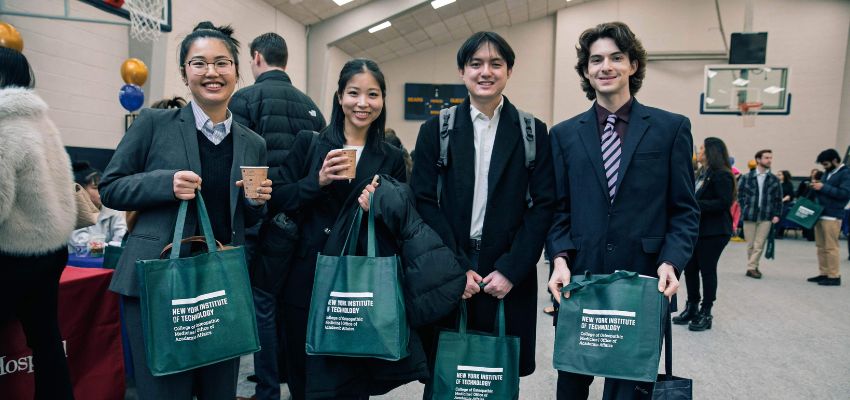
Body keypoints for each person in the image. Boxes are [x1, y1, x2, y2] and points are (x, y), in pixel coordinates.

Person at [99, 21, 272, 400]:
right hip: (158, 280)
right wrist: (165, 184)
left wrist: (255, 203)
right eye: (199, 63)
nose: (212, 72)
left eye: (222, 63)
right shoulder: (153, 124)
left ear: (237, 71)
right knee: (164, 391)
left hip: (219, 285)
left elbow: (249, 219)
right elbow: (110, 187)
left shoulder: (253, 143)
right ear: (184, 72)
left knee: (219, 391)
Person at [545, 22, 699, 398]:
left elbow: (684, 211)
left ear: (633, 65)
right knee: (571, 386)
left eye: (616, 57)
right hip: (580, 280)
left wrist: (671, 262)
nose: (605, 66)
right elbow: (556, 209)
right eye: (595, 60)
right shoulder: (564, 135)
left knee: (627, 391)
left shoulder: (670, 128)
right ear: (585, 70)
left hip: (644, 280)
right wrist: (559, 259)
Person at [410, 31, 556, 397]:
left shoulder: (532, 132)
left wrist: (511, 270)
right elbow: (424, 201)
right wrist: (456, 267)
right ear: (462, 71)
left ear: (509, 71)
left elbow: (543, 206)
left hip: (505, 271)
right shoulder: (436, 130)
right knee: (444, 372)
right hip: (449, 264)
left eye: (495, 64)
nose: (485, 72)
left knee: (494, 375)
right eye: (476, 64)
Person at [267, 58, 406, 400]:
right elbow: (278, 197)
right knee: (302, 372)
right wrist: (317, 181)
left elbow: (404, 217)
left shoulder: (390, 156)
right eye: (354, 93)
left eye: (372, 94)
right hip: (305, 277)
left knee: (352, 374)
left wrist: (381, 205)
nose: (362, 103)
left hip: (359, 280)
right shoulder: (309, 143)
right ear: (340, 97)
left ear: (383, 100)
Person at [228, 31, 326, 400]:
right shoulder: (312, 106)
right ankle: (293, 379)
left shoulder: (245, 99)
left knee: (262, 305)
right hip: (301, 222)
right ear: (284, 60)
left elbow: (237, 158)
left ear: (256, 58)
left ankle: (268, 389)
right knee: (291, 305)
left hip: (260, 222)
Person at [0, 46, 76, 400]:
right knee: (46, 340)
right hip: (52, 249)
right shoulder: (44, 124)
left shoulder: (3, 127)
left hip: (12, 255)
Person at [672, 137, 735, 331]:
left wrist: (694, 205)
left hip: (714, 232)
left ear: (711, 152)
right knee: (690, 269)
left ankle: (706, 311)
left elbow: (723, 203)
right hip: (697, 231)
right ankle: (692, 306)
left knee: (707, 270)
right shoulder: (701, 173)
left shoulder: (722, 175)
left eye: (701, 149)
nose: (698, 152)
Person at [806, 149, 850, 286]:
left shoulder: (846, 173)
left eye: (825, 164)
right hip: (821, 213)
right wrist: (815, 187)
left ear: (835, 161)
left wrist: (823, 187)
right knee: (821, 246)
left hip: (833, 215)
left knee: (831, 247)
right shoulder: (828, 172)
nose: (824, 167)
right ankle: (824, 273)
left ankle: (834, 275)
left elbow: (844, 194)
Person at [738, 150, 782, 279]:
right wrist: (744, 207)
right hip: (749, 214)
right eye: (766, 157)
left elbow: (778, 199)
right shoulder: (746, 177)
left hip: (766, 215)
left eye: (770, 158)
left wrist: (777, 214)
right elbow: (739, 195)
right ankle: (754, 265)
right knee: (751, 245)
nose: (769, 160)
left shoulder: (774, 179)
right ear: (758, 159)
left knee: (759, 244)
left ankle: (751, 268)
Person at [68, 162, 127, 251]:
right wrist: (109, 248)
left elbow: (121, 238)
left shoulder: (112, 208)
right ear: (82, 189)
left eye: (102, 187)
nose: (101, 191)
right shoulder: (74, 211)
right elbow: (81, 243)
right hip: (77, 262)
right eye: (95, 188)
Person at [774, 170, 795, 238]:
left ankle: (779, 233)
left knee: (781, 217)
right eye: (777, 174)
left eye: (780, 175)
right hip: (775, 203)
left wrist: (782, 200)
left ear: (784, 176)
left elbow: (790, 195)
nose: (778, 176)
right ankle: (773, 232)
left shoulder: (788, 184)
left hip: (784, 203)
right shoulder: (776, 183)